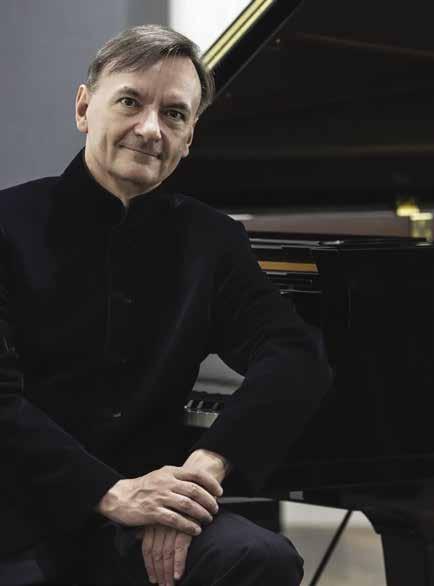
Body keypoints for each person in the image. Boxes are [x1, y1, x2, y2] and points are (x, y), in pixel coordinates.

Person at [0, 24, 331, 585]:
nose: (151, 128)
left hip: (148, 508)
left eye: (174, 114)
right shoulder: (8, 225)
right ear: (84, 108)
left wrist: (202, 470)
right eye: (130, 101)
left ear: (189, 136)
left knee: (261, 557)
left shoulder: (212, 240)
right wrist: (112, 492)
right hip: (19, 511)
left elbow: (296, 354)